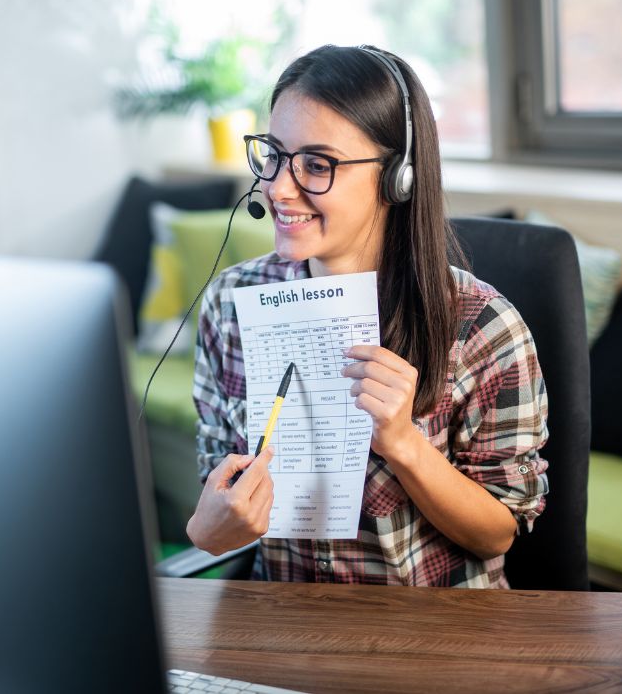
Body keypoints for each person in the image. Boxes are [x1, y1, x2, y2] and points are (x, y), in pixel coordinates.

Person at [186, 44, 548, 588]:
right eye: (274, 155)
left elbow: (497, 533)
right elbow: (216, 501)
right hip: (289, 626)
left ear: (396, 177)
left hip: (434, 634)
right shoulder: (229, 304)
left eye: (316, 164)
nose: (278, 188)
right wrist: (209, 530)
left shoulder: (483, 327)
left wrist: (404, 443)